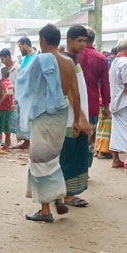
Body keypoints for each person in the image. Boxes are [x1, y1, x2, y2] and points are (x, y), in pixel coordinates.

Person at [16, 24, 87, 222]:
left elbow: (24, 84)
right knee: (53, 157)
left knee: (40, 160)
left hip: (44, 113)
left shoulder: (40, 60)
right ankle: (58, 197)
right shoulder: (68, 62)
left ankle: (45, 210)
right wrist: (77, 121)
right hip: (62, 113)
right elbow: (75, 91)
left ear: (43, 40)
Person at [59, 25, 93, 207]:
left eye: (84, 41)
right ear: (69, 40)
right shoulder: (66, 60)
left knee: (77, 155)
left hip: (77, 117)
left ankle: (68, 193)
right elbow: (70, 93)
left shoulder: (73, 60)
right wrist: (82, 119)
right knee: (69, 156)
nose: (82, 44)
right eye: (78, 40)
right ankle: (67, 195)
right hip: (71, 119)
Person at [78, 27, 110, 158]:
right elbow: (105, 85)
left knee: (73, 139)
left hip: (73, 105)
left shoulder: (72, 56)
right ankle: (85, 168)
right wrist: (107, 106)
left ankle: (74, 171)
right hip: (92, 104)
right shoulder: (101, 58)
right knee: (90, 139)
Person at [107, 39, 127, 168]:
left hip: (115, 101)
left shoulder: (115, 61)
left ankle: (116, 159)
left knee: (116, 131)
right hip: (124, 102)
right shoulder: (126, 62)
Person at [10, 36, 37, 149]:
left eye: (20, 47)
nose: (20, 50)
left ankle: (31, 142)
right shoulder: (25, 59)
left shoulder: (36, 57)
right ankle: (26, 141)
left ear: (26, 45)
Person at [0, 49, 16, 151]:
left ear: (2, 75)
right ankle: (7, 142)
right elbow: (11, 94)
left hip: (4, 107)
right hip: (8, 107)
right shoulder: (10, 83)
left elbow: (6, 94)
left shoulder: (4, 84)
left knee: (3, 125)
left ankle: (4, 143)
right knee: (7, 125)